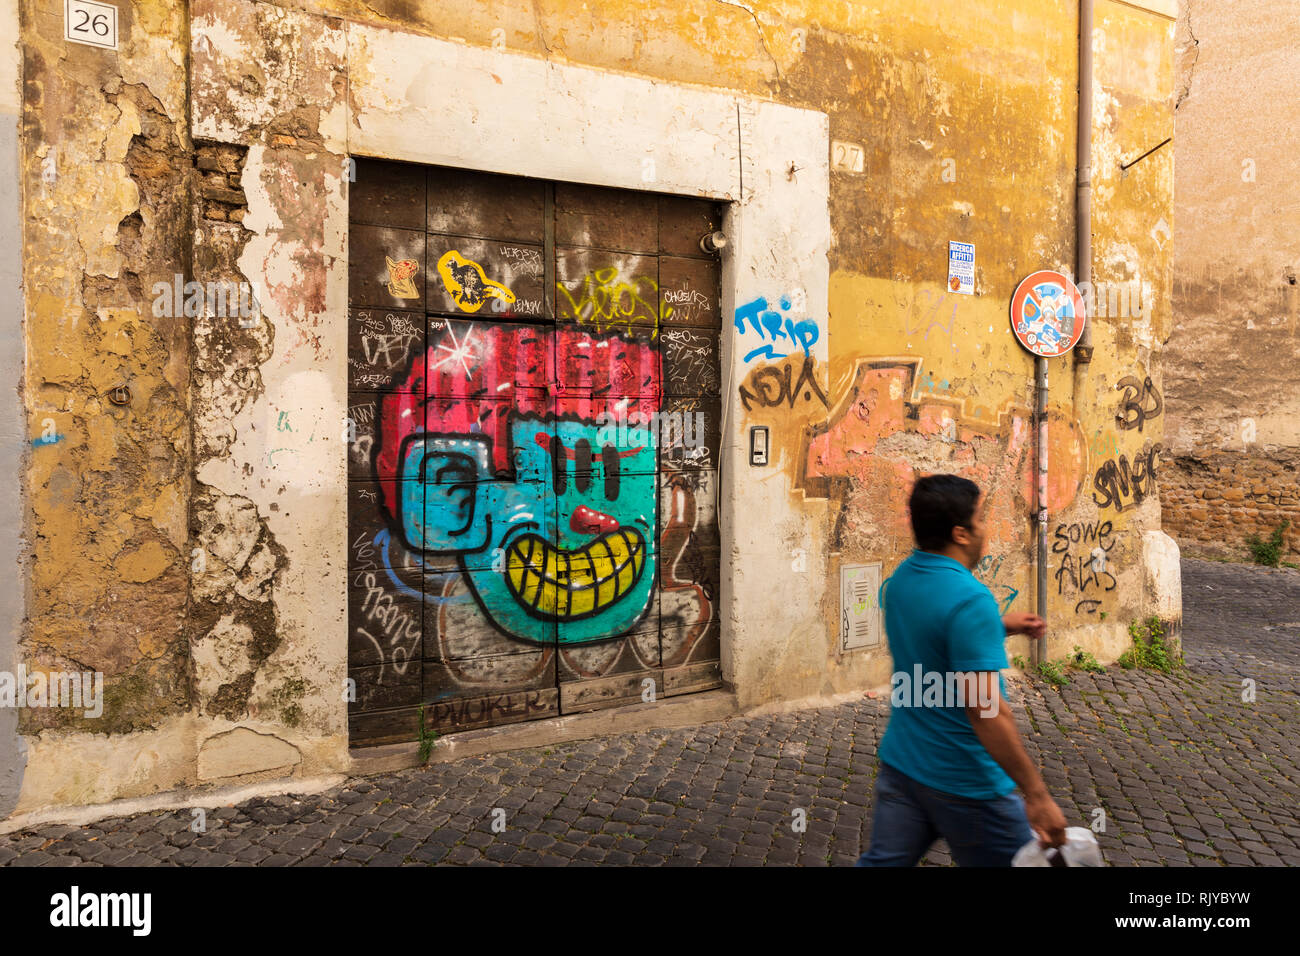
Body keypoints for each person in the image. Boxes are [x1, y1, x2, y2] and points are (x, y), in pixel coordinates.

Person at [857, 474, 1068, 867]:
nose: (986, 528)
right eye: (982, 519)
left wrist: (1000, 625)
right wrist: (1037, 795)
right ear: (961, 533)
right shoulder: (971, 600)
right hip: (968, 782)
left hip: (904, 767)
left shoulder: (902, 579)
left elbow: (932, 634)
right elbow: (986, 712)